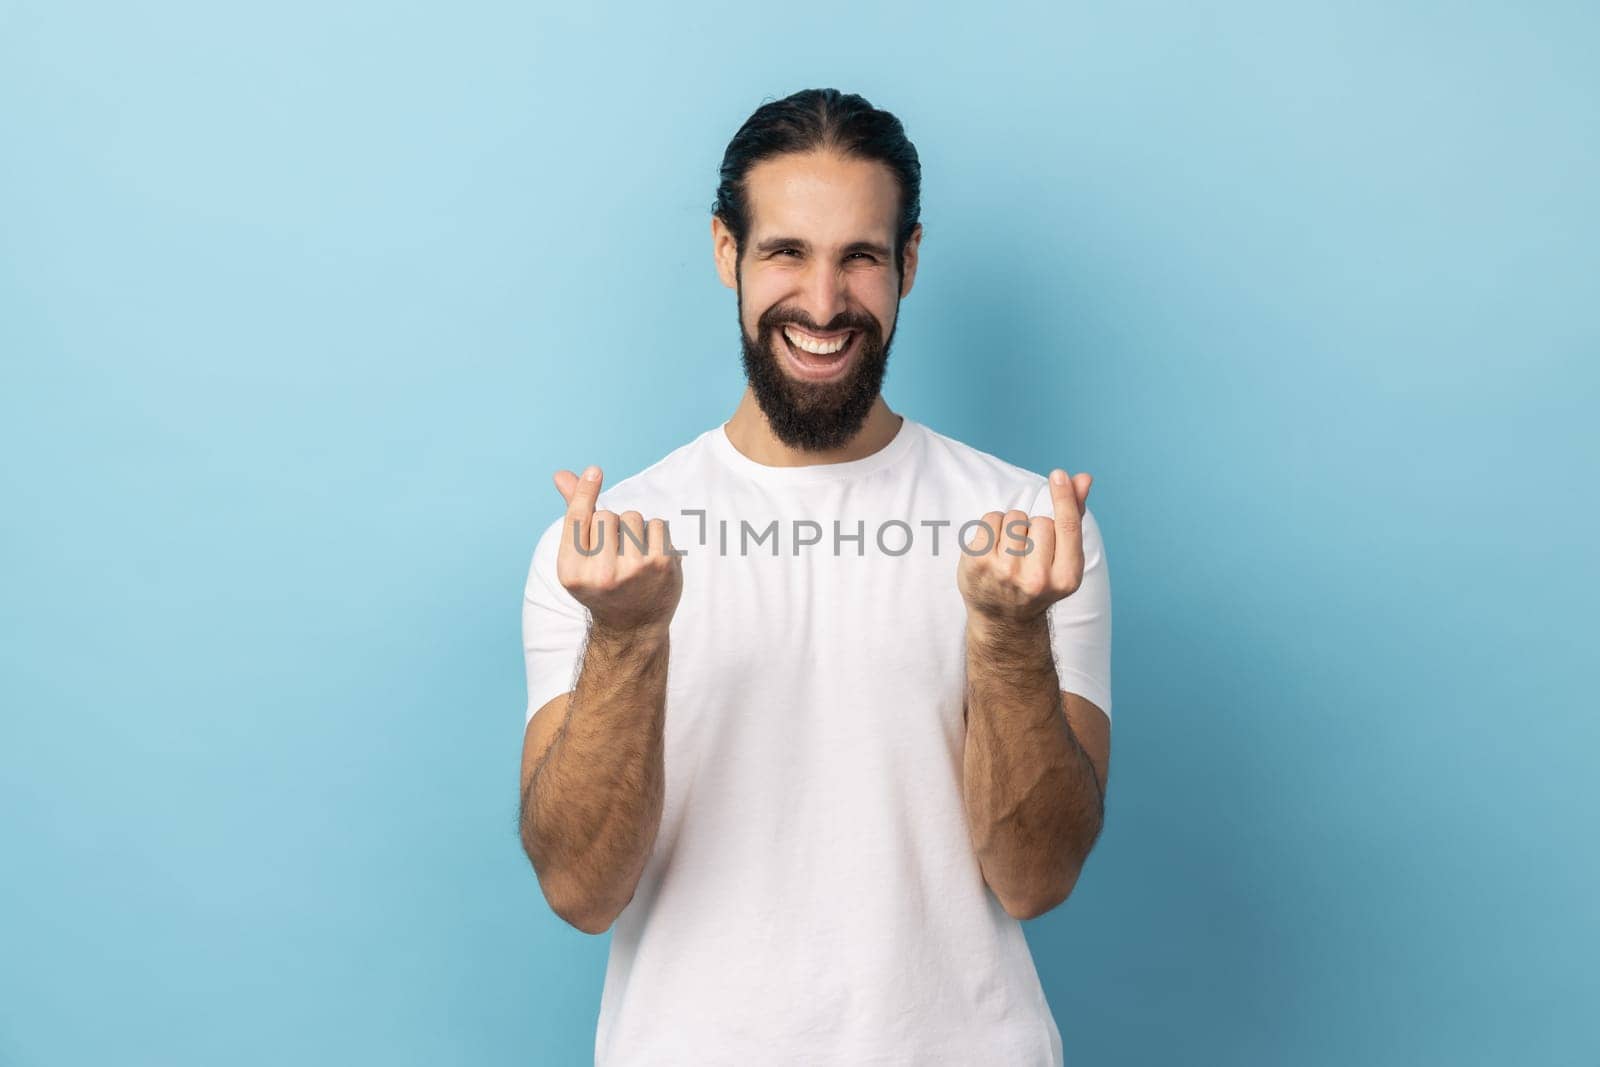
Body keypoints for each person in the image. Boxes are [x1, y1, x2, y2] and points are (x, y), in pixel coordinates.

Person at [517, 87, 1112, 1066]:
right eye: (786, 251)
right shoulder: (606, 546)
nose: (825, 303)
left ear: (908, 263)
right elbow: (581, 891)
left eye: (861, 257)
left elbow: (1035, 877)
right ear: (726, 253)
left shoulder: (1030, 538)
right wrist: (626, 638)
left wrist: (1008, 638)